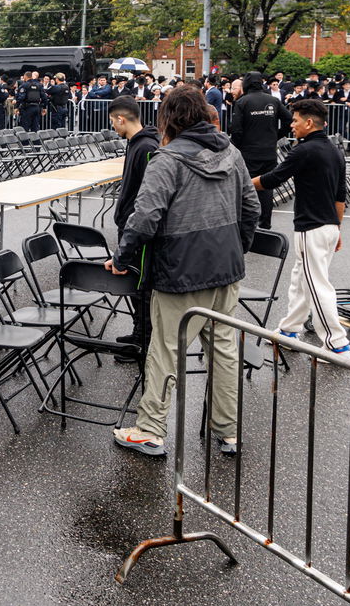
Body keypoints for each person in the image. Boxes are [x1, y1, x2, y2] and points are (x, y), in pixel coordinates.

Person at [108, 86, 258, 457]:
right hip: (225, 268)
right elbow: (251, 207)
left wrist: (122, 256)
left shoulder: (167, 159)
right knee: (223, 350)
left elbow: (144, 217)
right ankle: (229, 431)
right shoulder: (231, 152)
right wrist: (237, 248)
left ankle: (150, 429)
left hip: (180, 270)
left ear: (169, 118)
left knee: (165, 350)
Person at [250, 98, 350, 358]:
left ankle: (337, 345)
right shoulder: (334, 150)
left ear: (309, 123)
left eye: (295, 120)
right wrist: (337, 228)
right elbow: (340, 195)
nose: (291, 125)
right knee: (301, 279)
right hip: (327, 226)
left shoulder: (304, 150)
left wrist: (238, 183)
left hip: (312, 227)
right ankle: (289, 331)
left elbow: (272, 179)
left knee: (316, 285)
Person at [108, 97, 160, 358]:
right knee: (134, 283)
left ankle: (144, 341)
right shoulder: (136, 144)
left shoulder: (146, 146)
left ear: (121, 118)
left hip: (137, 227)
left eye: (113, 122)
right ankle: (139, 331)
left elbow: (149, 195)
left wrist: (133, 225)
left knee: (141, 285)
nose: (113, 128)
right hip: (129, 223)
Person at [226, 72, 291, 229]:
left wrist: (236, 146)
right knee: (266, 187)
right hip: (269, 151)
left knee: (246, 187)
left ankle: (248, 223)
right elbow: (289, 119)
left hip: (248, 152)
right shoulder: (273, 101)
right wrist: (276, 136)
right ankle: (265, 223)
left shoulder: (242, 102)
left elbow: (237, 129)